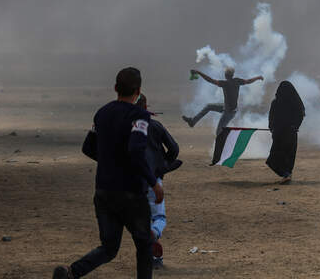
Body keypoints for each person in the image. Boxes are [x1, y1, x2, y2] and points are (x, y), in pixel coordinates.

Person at [53, 68, 163, 279]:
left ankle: (71, 272)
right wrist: (153, 182)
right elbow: (136, 150)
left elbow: (87, 147)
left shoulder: (102, 113)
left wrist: (109, 162)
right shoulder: (139, 115)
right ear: (138, 91)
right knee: (144, 245)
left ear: (115, 88)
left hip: (103, 190)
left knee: (109, 247)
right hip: (131, 192)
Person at [135, 94, 183, 269]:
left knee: (141, 219)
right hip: (153, 179)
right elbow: (174, 148)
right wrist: (162, 165)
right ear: (146, 105)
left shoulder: (125, 128)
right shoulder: (155, 125)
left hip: (131, 181)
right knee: (158, 217)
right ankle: (154, 237)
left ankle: (151, 257)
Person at [182, 67, 264, 135]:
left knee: (219, 133)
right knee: (209, 106)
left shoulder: (225, 83)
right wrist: (258, 77)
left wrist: (199, 72)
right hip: (227, 108)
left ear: (226, 75)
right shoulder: (237, 81)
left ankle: (221, 151)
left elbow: (210, 80)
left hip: (229, 112)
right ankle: (193, 121)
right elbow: (248, 81)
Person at [266, 81, 305, 184]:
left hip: (280, 134)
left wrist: (272, 128)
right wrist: (295, 126)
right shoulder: (296, 102)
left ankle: (286, 174)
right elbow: (301, 114)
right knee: (289, 155)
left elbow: (271, 118)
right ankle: (287, 174)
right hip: (290, 134)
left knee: (274, 157)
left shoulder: (276, 102)